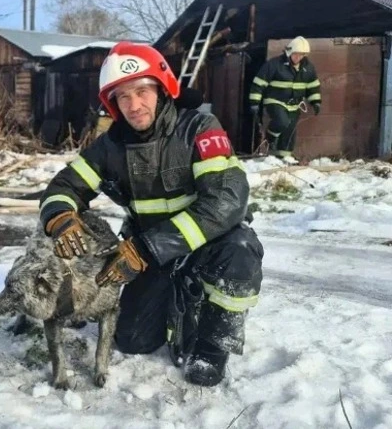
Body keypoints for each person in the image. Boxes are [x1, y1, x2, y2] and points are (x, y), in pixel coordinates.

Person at [38, 42, 264, 387]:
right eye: (123, 97)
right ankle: (178, 294)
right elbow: (63, 186)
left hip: (203, 244)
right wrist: (61, 217)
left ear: (163, 88)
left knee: (240, 250)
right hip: (150, 255)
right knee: (133, 340)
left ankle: (213, 346)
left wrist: (147, 248)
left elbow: (226, 200)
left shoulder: (199, 128)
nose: (134, 105)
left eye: (142, 91)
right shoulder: (110, 146)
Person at [249, 36, 322, 159]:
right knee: (282, 121)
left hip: (295, 105)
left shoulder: (308, 68)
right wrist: (254, 102)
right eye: (296, 54)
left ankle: (282, 157)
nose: (298, 57)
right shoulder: (274, 64)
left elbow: (313, 86)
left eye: (301, 55)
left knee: (289, 132)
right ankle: (270, 137)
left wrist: (316, 102)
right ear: (289, 52)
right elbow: (259, 83)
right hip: (275, 101)